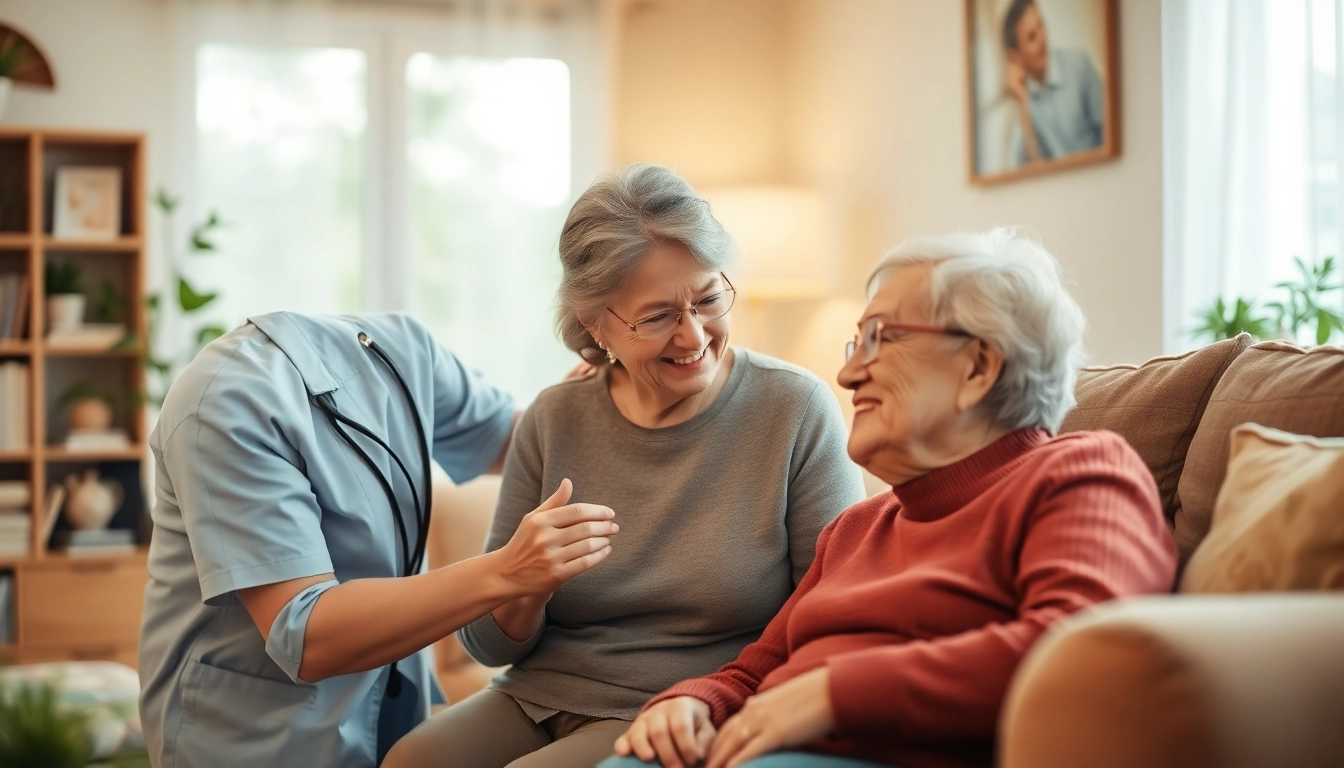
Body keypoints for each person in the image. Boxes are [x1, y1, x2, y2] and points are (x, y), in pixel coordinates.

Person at [606, 228, 1178, 768]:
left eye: (881, 338)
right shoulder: (856, 527)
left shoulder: (1078, 473)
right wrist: (692, 703)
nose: (849, 373)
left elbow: (1085, 651)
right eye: (857, 343)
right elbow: (752, 674)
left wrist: (837, 693)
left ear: (979, 365)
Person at [383, 165, 866, 768]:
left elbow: (834, 609)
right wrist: (526, 578)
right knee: (409, 761)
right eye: (657, 316)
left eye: (709, 298)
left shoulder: (793, 407)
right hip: (537, 693)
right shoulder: (554, 417)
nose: (693, 337)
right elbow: (487, 646)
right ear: (595, 323)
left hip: (682, 707)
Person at [138, 311, 619, 767]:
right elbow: (305, 634)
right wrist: (507, 570)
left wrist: (592, 397)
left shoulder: (403, 353)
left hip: (384, 714)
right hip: (252, 733)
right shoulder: (222, 408)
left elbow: (519, 440)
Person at [1002, 0, 1106, 165]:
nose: (1043, 39)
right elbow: (1030, 171)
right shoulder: (1023, 100)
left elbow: (1110, 133)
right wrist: (1022, 105)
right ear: (1016, 56)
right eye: (1032, 37)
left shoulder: (1079, 65)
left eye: (1041, 25)